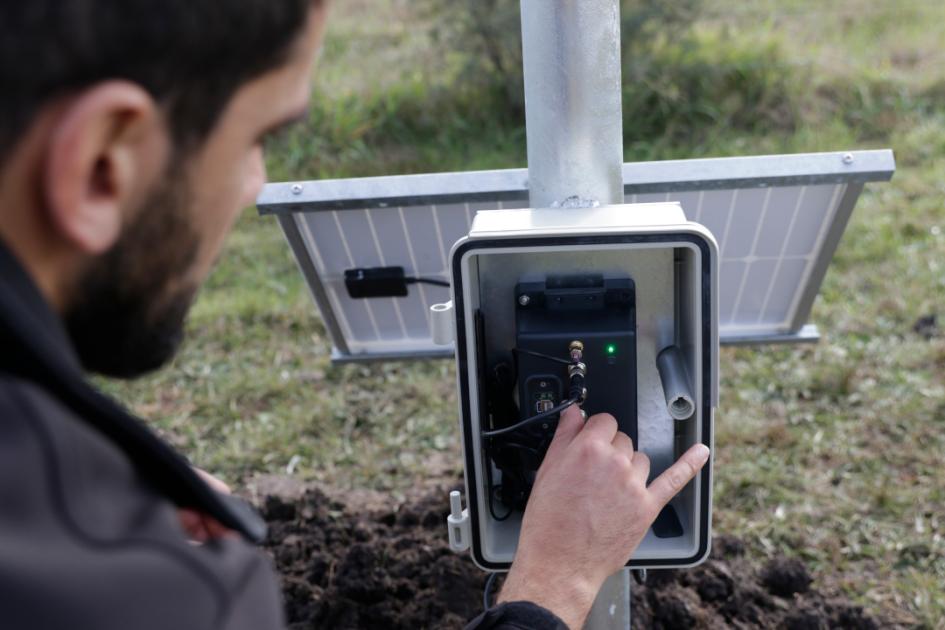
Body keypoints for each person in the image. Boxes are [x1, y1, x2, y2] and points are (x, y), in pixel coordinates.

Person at [0, 1, 711, 628]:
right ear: (99, 164)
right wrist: (554, 584)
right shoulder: (150, 598)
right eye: (258, 138)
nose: (256, 186)